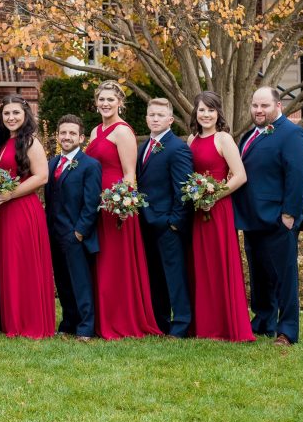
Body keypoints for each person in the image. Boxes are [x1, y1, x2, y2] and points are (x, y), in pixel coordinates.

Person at [84, 81, 162, 339]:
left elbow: (130, 174)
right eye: (101, 99)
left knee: (117, 262)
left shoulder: (123, 131)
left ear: (120, 103)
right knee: (101, 260)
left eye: (110, 99)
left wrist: (124, 204)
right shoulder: (95, 131)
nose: (105, 103)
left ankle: (123, 318)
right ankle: (102, 317)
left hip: (116, 206)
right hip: (97, 203)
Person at [232, 86, 303, 345]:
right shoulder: (250, 135)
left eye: (264, 106)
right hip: (253, 217)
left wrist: (289, 214)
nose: (258, 110)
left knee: (284, 277)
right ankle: (264, 320)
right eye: (255, 105)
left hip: (279, 218)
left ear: (278, 106)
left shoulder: (292, 134)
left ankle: (287, 331)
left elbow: (298, 175)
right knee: (260, 274)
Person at [186, 91, 254, 342]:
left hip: (218, 209)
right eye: (201, 110)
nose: (205, 114)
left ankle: (224, 325)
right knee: (199, 265)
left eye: (211, 110)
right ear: (195, 112)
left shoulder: (224, 138)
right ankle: (203, 324)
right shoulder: (191, 139)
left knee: (218, 263)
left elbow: (240, 175)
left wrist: (214, 196)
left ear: (218, 113)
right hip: (197, 210)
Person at [0, 96, 55, 339]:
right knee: (9, 264)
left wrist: (10, 193)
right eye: (6, 113)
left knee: (23, 263)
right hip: (4, 211)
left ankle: (30, 321)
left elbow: (42, 177)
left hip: (23, 209)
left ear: (25, 115)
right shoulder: (6, 141)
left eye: (16, 113)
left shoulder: (30, 141)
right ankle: (12, 320)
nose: (11, 118)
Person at [136, 98, 194, 337]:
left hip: (168, 224)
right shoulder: (144, 147)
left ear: (170, 119)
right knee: (155, 276)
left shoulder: (177, 148)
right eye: (151, 115)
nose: (155, 119)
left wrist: (173, 222)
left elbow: (184, 189)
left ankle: (181, 324)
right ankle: (160, 323)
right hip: (147, 222)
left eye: (160, 115)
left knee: (174, 277)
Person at [45, 114, 103, 341]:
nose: (66, 137)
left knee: (81, 283)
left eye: (71, 133)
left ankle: (86, 327)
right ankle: (68, 322)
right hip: (54, 233)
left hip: (76, 234)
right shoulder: (52, 164)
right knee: (63, 281)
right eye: (63, 133)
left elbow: (92, 203)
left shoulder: (90, 165)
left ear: (81, 137)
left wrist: (79, 232)